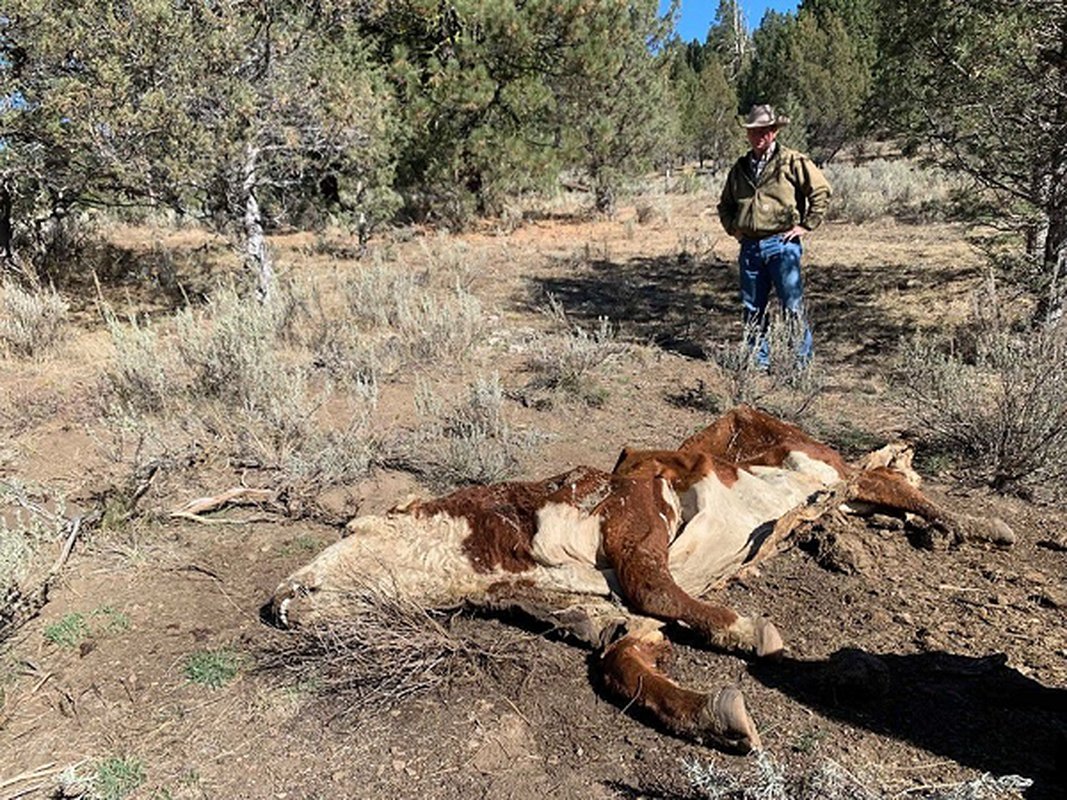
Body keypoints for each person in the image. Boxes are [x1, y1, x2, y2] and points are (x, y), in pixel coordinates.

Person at [717, 104, 831, 367]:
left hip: (783, 244)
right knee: (752, 309)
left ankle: (800, 364)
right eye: (753, 132)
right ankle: (758, 363)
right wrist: (734, 229)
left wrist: (807, 224)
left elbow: (821, 191)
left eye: (764, 131)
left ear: (773, 132)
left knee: (791, 305)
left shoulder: (792, 161)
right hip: (750, 247)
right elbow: (725, 204)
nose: (758, 136)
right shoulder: (741, 167)